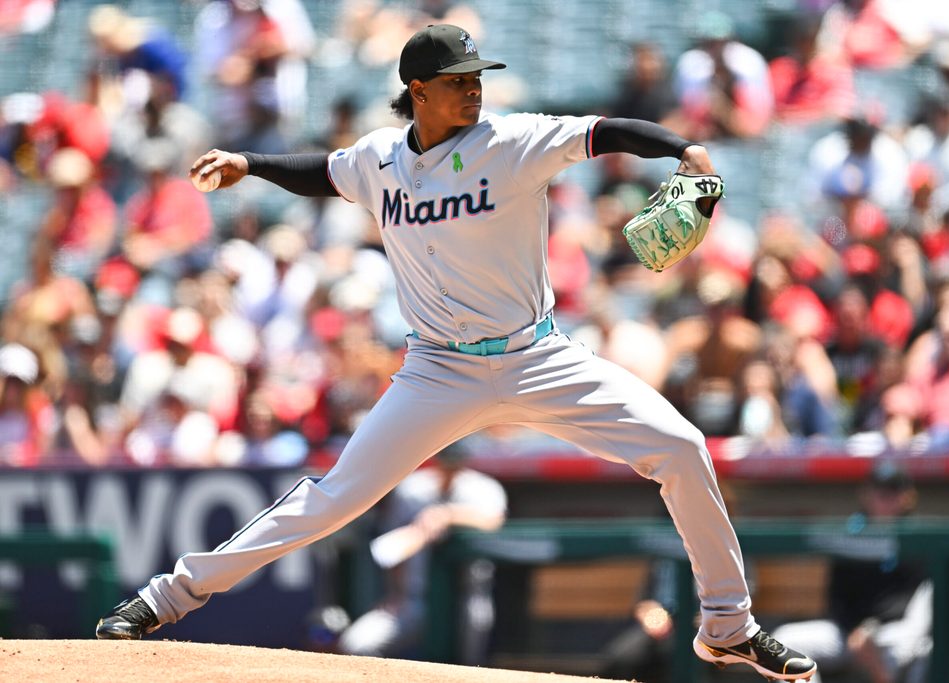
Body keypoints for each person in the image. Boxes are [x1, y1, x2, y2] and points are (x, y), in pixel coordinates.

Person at [95, 24, 817, 681]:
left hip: (539, 357)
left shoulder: (513, 141)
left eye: (478, 76)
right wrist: (249, 162)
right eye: (459, 79)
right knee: (332, 498)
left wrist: (684, 150)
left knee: (683, 446)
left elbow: (609, 130)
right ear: (418, 92)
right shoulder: (380, 159)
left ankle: (729, 624)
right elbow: (327, 170)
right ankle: (165, 597)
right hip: (438, 368)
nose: (475, 87)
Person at [334, 441, 506, 661]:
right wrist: (395, 594)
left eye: (455, 461)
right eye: (445, 459)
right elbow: (393, 549)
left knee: (467, 664)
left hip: (466, 599)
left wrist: (449, 515)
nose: (449, 467)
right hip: (415, 599)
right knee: (356, 644)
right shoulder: (413, 489)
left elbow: (494, 521)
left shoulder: (483, 488)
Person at [772, 462, 932, 683]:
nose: (885, 499)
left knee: (926, 650)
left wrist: (870, 632)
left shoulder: (921, 538)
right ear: (867, 495)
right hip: (848, 635)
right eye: (880, 492)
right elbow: (837, 599)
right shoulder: (850, 533)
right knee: (781, 644)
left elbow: (915, 603)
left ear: (907, 497)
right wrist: (856, 630)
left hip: (895, 637)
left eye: (893, 493)